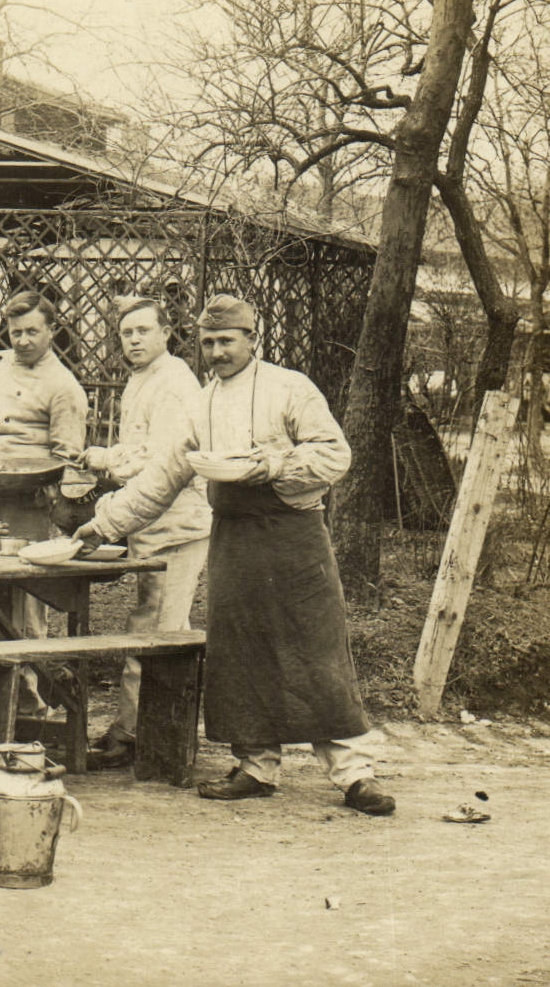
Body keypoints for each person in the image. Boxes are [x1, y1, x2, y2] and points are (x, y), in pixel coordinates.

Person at [75, 294, 395, 815]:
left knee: (317, 649)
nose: (217, 352)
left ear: (253, 338)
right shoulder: (198, 404)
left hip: (294, 534)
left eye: (227, 341)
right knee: (240, 653)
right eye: (208, 343)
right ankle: (255, 765)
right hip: (234, 538)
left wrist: (273, 465)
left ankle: (354, 773)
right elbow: (161, 479)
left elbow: (336, 453)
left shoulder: (290, 387)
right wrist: (103, 524)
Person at [76, 297, 212, 769]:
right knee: (152, 623)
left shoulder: (174, 382)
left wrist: (107, 461)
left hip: (178, 522)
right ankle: (145, 730)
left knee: (159, 631)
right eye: (125, 333)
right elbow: (139, 448)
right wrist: (108, 455)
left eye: (142, 331)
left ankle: (141, 737)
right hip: (148, 521)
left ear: (166, 332)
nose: (133, 340)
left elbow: (163, 462)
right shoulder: (141, 380)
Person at [0, 291, 89, 641]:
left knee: (25, 601)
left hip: (26, 506)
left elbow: (68, 457)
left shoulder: (63, 386)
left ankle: (29, 690)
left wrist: (44, 491)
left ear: (51, 330)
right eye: (16, 333)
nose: (23, 341)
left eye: (32, 331)